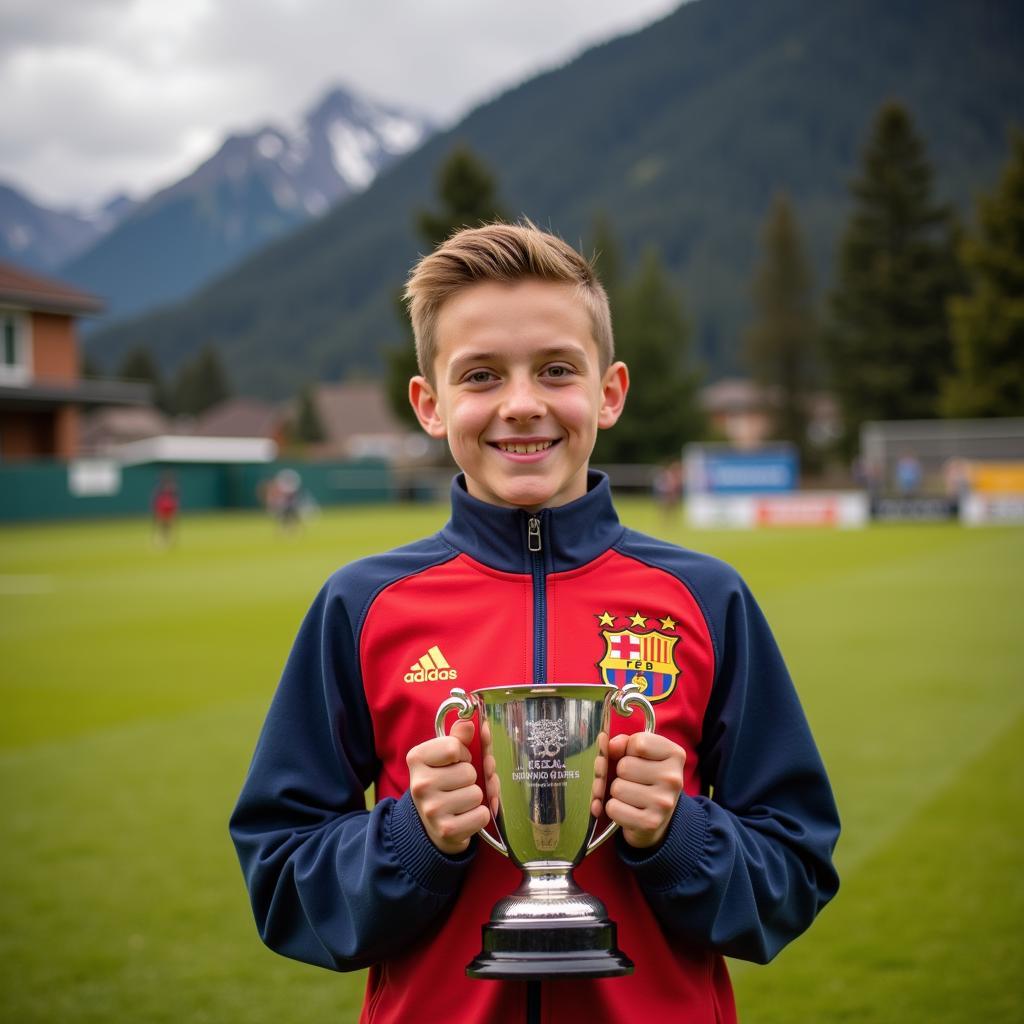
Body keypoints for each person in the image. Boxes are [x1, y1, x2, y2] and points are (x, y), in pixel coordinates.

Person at [229, 223, 840, 1023]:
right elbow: (280, 882)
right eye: (480, 376)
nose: (521, 405)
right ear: (430, 405)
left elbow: (794, 870)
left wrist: (680, 835)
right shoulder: (360, 606)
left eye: (556, 370)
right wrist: (413, 839)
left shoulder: (708, 600)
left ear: (610, 391)